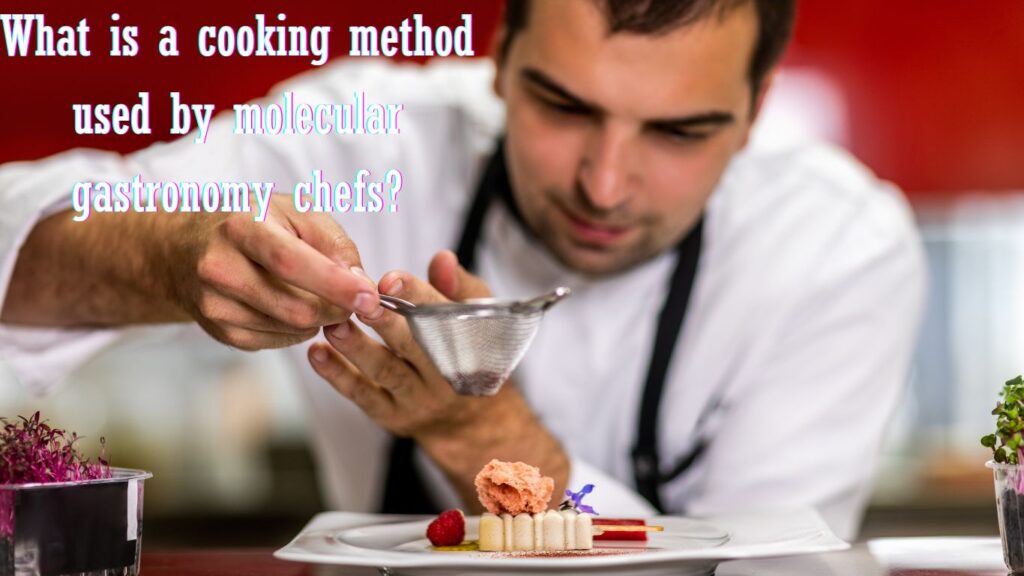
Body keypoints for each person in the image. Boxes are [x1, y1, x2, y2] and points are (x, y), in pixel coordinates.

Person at [0, 0, 924, 540]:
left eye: (679, 132)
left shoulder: (836, 249)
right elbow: (21, 247)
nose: (604, 184)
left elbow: (762, 565)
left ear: (757, 106)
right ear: (500, 60)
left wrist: (482, 430)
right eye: (562, 106)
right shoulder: (360, 138)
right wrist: (170, 259)